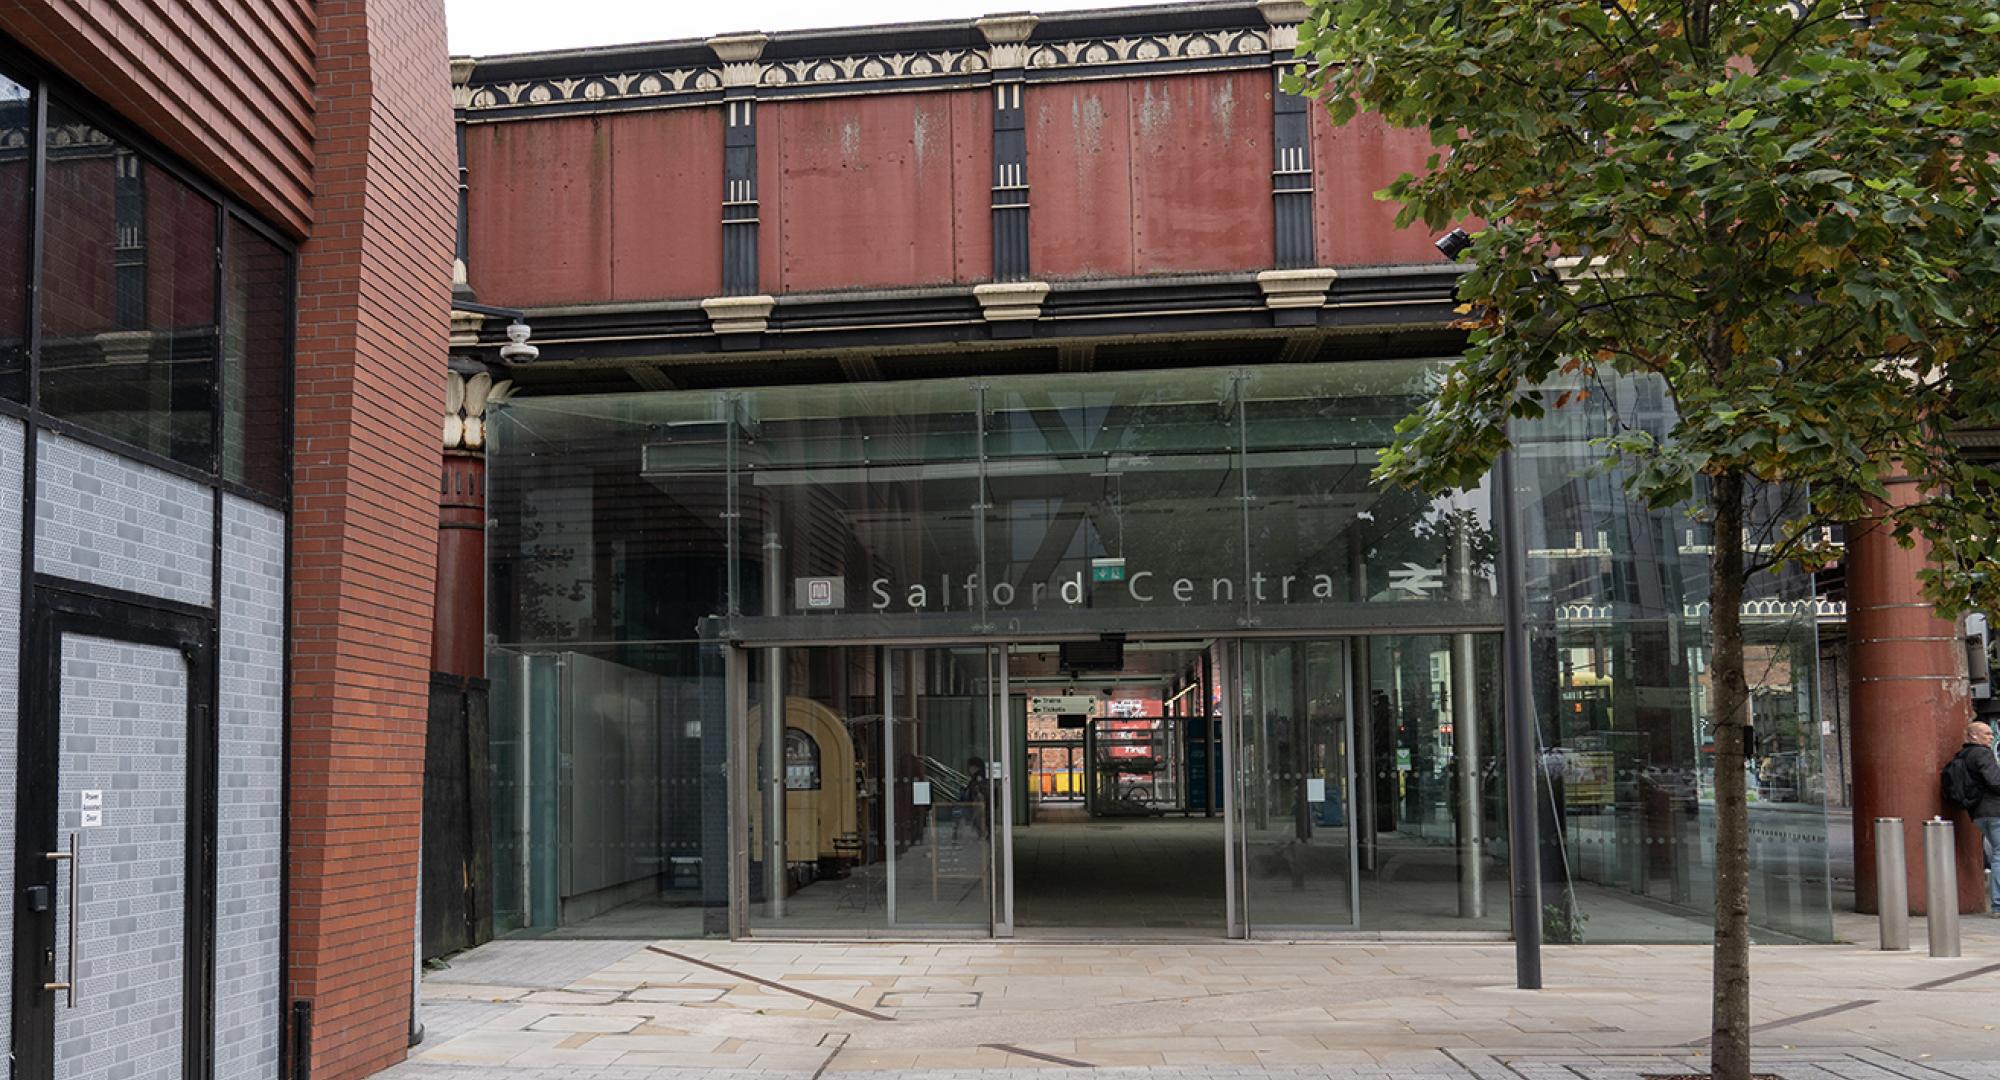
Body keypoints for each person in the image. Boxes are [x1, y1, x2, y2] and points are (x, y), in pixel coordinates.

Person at [1951, 720, 2000, 915]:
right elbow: (1995, 782)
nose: (1991, 737)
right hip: (1994, 810)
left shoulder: (1963, 756)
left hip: (1978, 812)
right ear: (1973, 736)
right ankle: (1998, 904)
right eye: (1987, 734)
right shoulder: (1982, 754)